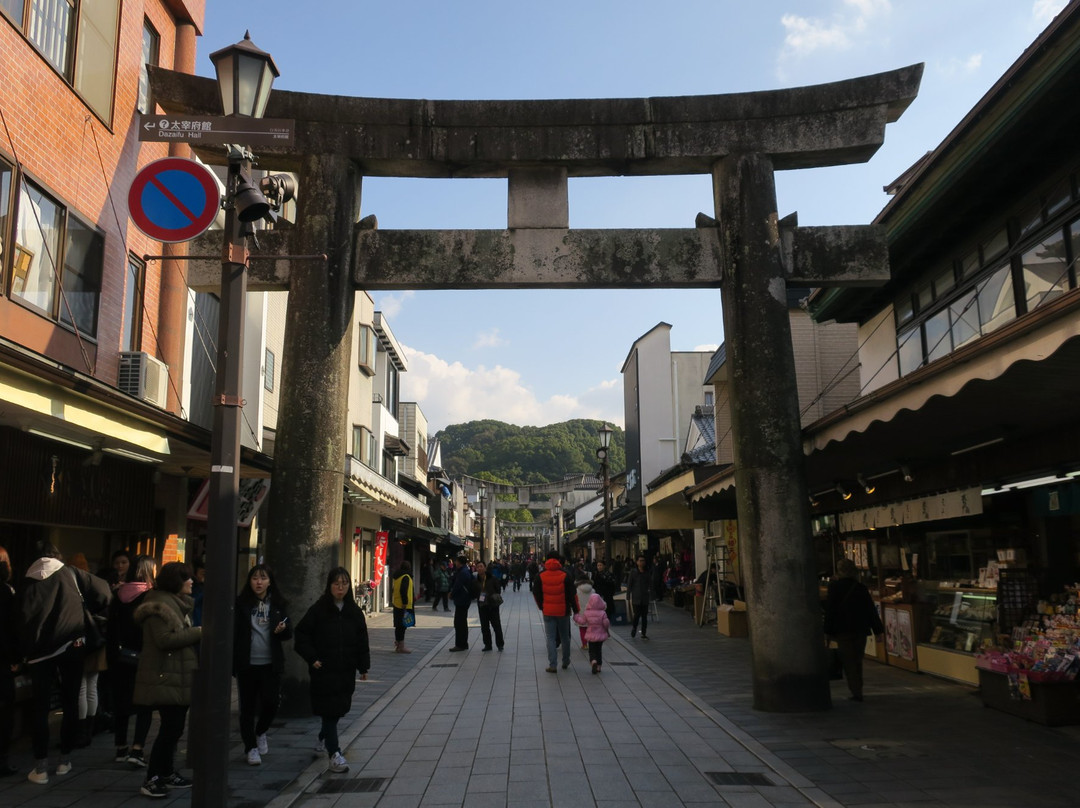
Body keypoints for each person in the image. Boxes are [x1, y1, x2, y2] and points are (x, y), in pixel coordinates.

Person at [19, 541, 111, 785]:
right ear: (57, 556)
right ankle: (64, 760)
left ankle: (39, 767)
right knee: (70, 702)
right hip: (72, 646)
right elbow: (104, 593)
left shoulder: (26, 581)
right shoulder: (71, 573)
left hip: (39, 653)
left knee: (40, 708)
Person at [133, 561, 201, 798]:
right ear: (176, 582)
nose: (192, 582)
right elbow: (163, 640)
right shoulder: (159, 605)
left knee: (174, 727)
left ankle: (166, 772)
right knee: (170, 728)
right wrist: (199, 631)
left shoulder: (174, 602)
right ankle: (152, 777)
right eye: (187, 578)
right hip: (165, 675)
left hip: (176, 675)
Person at [294, 567, 370, 774]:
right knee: (329, 711)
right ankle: (334, 754)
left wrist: (363, 666)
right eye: (336, 583)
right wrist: (312, 658)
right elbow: (301, 635)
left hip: (345, 670)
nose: (340, 587)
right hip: (323, 670)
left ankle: (323, 736)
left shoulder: (354, 612)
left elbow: (362, 640)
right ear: (329, 586)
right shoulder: (319, 610)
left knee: (339, 709)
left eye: (344, 583)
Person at [233, 564, 292, 766]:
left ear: (270, 581)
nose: (259, 582)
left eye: (263, 578)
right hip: (247, 663)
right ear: (249, 581)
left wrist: (282, 629)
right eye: (255, 578)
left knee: (271, 702)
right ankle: (250, 748)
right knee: (247, 708)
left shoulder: (277, 604)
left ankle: (260, 732)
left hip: (270, 663)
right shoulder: (241, 604)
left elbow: (288, 632)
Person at [108, 555, 156, 768]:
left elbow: (111, 629)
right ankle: (137, 748)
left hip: (120, 657)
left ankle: (120, 747)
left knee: (121, 703)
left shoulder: (118, 594)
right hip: (143, 656)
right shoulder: (150, 596)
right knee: (145, 703)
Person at [824, 558, 885, 703]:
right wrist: (878, 631)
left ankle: (856, 690)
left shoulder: (834, 588)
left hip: (842, 630)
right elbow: (871, 610)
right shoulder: (860, 588)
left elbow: (830, 611)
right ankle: (858, 689)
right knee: (857, 660)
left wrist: (827, 631)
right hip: (860, 630)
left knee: (848, 661)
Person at [68, 552, 105, 748]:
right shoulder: (95, 584)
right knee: (92, 686)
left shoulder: (71, 588)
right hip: (97, 641)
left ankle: (80, 731)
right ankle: (89, 729)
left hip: (82, 642)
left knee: (81, 687)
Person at [533, 551, 578, 673]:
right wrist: (576, 610)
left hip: (548, 611)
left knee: (550, 637)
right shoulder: (566, 574)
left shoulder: (540, 575)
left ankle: (553, 665)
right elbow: (572, 595)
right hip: (563, 610)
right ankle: (566, 661)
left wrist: (542, 606)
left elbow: (536, 593)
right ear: (559, 560)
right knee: (565, 637)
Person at [0, 545, 18, 777]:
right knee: (4, 711)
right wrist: (15, 657)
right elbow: (12, 629)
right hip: (2, 660)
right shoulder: (7, 592)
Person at [574, 593, 611, 674]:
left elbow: (582, 622)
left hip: (591, 635)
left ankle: (593, 661)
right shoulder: (603, 613)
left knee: (592, 651)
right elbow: (606, 623)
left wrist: (576, 617)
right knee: (599, 651)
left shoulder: (587, 613)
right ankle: (599, 667)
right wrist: (606, 629)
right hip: (600, 635)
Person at [474, 561, 504, 652]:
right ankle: (487, 644)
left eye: (481, 566)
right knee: (484, 626)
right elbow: (474, 592)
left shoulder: (492, 578)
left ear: (485, 568)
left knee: (496, 625)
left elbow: (498, 590)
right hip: (482, 606)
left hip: (492, 605)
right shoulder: (476, 581)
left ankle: (500, 644)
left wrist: (491, 595)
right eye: (478, 567)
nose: (479, 568)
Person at [448, 556, 475, 652]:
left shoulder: (463, 572)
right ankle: (463, 643)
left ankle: (460, 644)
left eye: (456, 561)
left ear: (459, 562)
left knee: (459, 623)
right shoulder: (465, 571)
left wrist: (451, 594)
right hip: (464, 599)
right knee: (462, 622)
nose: (455, 563)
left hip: (462, 600)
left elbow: (457, 585)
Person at [391, 561, 414, 654]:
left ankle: (398, 645)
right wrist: (405, 602)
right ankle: (401, 647)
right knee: (402, 626)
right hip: (403, 605)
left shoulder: (396, 577)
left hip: (396, 603)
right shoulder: (406, 577)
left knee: (398, 625)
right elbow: (403, 590)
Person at [626, 556, 651, 639]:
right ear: (637, 562)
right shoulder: (633, 572)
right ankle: (634, 628)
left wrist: (651, 593)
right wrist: (628, 595)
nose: (642, 562)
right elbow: (629, 584)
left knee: (644, 616)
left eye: (643, 561)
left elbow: (650, 583)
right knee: (636, 615)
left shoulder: (647, 572)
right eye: (640, 561)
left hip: (645, 597)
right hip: (636, 597)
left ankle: (644, 632)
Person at [575, 573, 594, 649]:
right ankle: (591, 643)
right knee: (590, 629)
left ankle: (584, 644)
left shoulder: (576, 590)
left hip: (581, 612)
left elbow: (575, 601)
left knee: (582, 629)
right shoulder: (592, 590)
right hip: (591, 612)